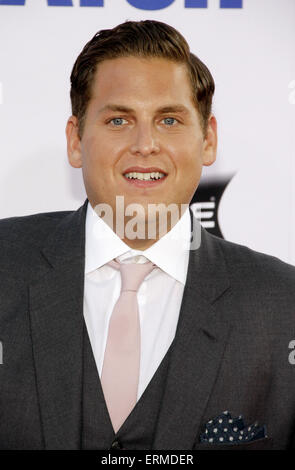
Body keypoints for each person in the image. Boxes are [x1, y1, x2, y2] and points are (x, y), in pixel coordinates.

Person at [0, 20, 295, 451]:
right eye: (119, 119)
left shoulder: (283, 304)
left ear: (208, 139)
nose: (145, 144)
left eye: (170, 120)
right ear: (76, 140)